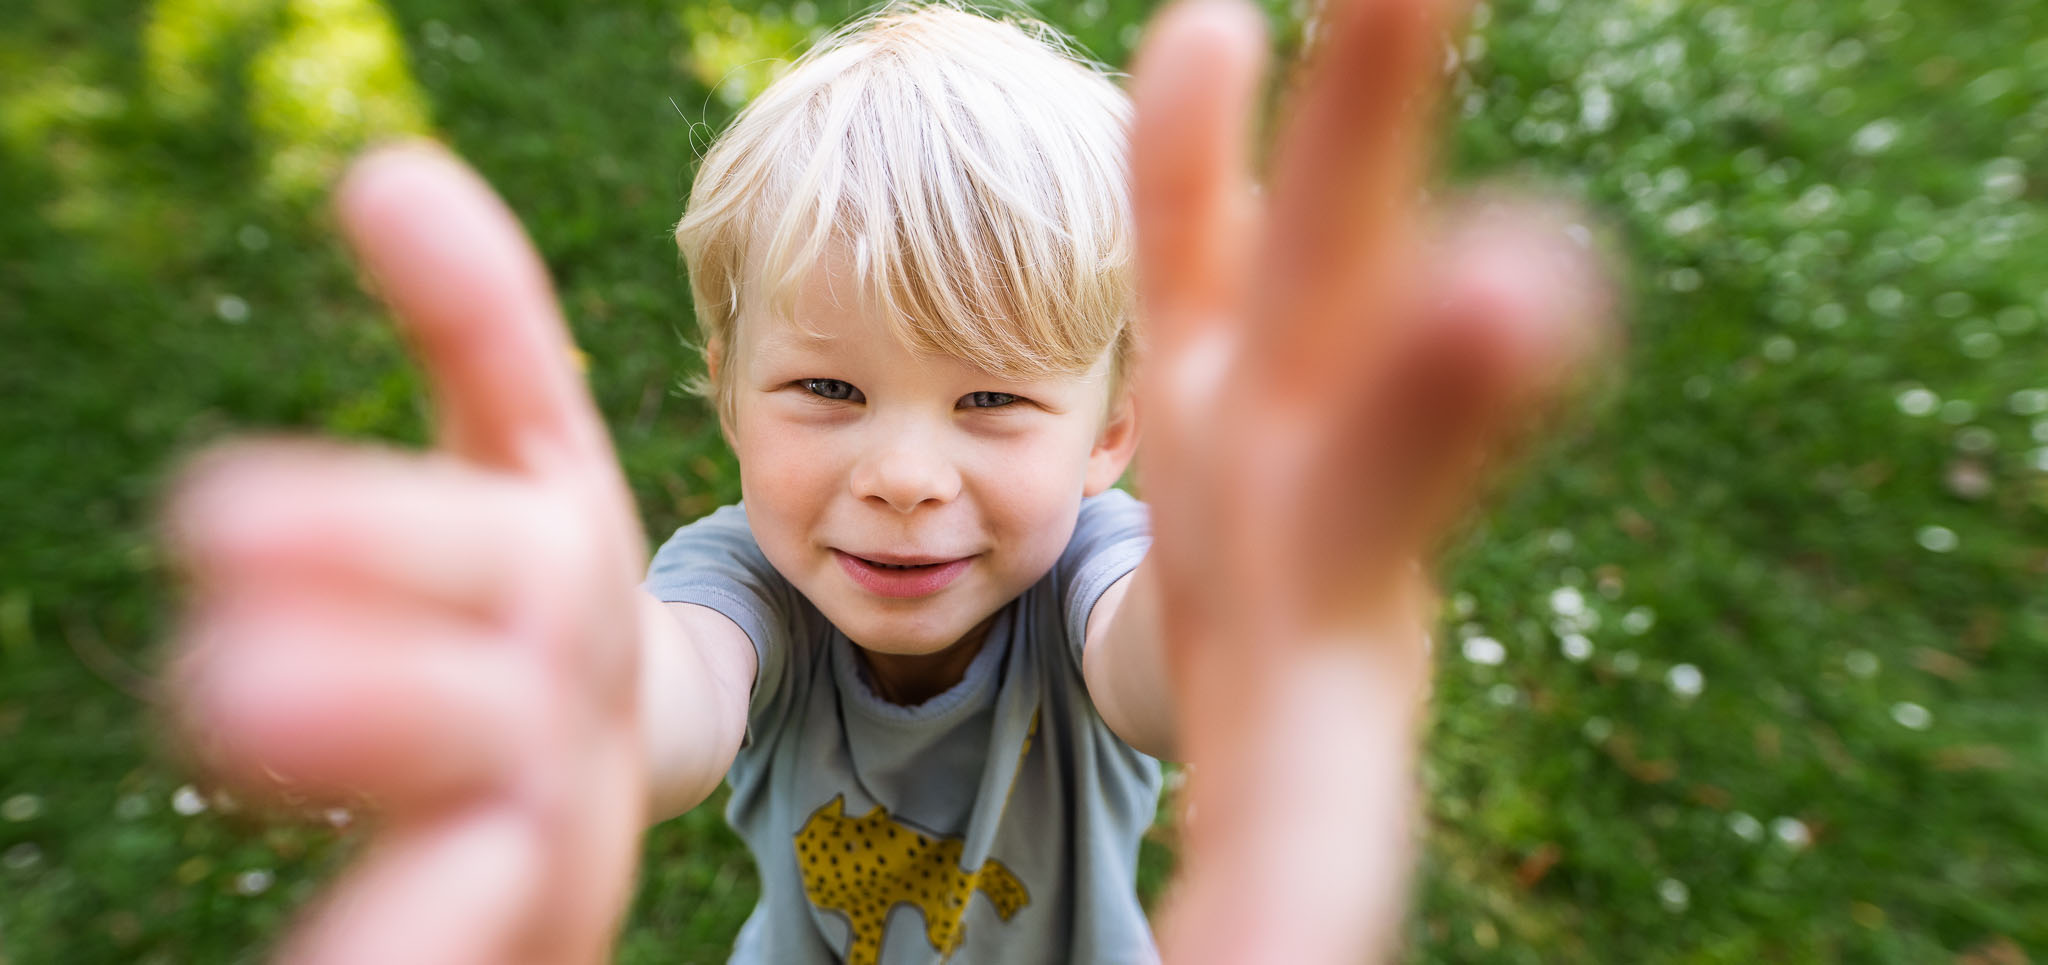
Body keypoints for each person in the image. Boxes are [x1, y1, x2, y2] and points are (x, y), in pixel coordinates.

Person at [164, 0, 1607, 962]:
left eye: (992, 401)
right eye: (829, 390)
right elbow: (668, 698)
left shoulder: (1095, 576)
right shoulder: (743, 587)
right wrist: (589, 699)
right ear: (726, 380)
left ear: (1114, 430)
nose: (907, 476)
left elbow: (1168, 659)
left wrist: (1256, 614)